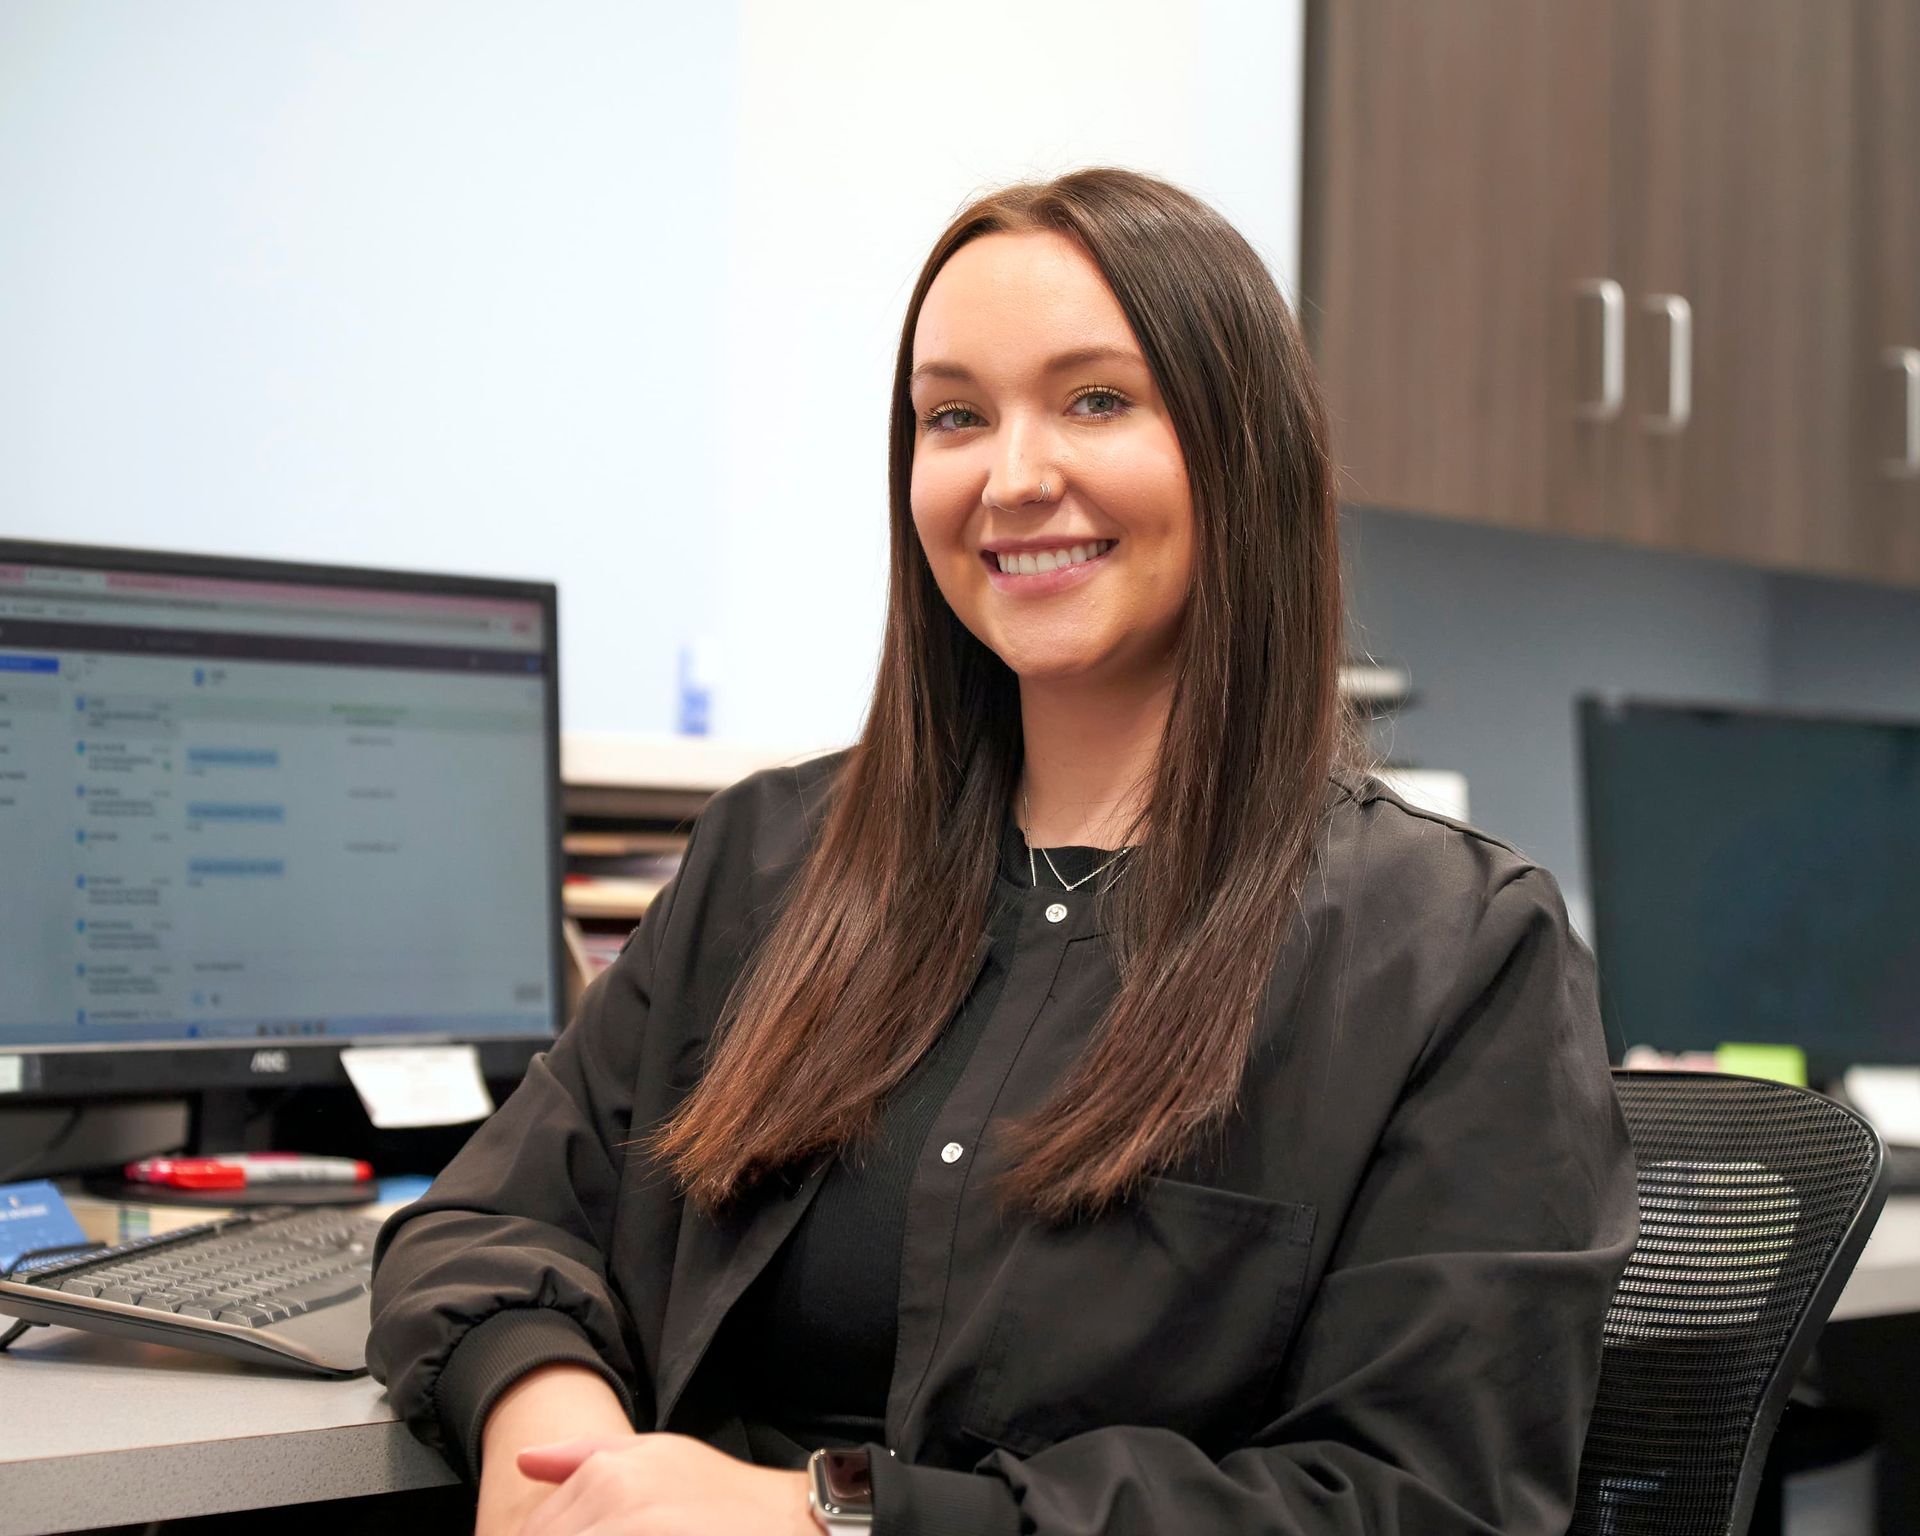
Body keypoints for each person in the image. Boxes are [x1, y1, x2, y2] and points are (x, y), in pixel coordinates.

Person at [368, 167, 1638, 1536]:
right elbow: (485, 1224)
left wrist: (826, 1518)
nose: (1013, 477)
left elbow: (1420, 1502)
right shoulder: (773, 865)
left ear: (1242, 448)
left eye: (1096, 400)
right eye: (954, 417)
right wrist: (548, 1419)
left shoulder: (1453, 951)